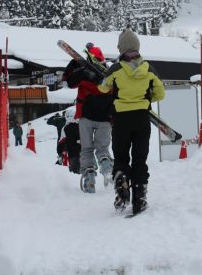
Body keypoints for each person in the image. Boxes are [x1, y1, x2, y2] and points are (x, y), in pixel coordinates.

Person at [98, 28, 165, 215]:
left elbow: (103, 88)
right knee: (140, 158)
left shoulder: (116, 69)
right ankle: (140, 199)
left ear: (121, 49)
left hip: (120, 119)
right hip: (142, 118)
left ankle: (121, 183)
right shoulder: (149, 69)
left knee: (121, 156)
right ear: (137, 47)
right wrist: (145, 99)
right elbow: (161, 94)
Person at [62, 55, 113, 194]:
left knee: (86, 149)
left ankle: (89, 178)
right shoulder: (110, 75)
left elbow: (68, 82)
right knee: (103, 147)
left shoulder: (84, 73)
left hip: (86, 117)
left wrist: (73, 64)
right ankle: (106, 165)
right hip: (105, 118)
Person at [58, 106, 81, 174]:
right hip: (83, 151)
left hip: (72, 153)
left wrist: (60, 152)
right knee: (83, 169)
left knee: (74, 170)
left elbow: (62, 141)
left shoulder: (65, 128)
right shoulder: (81, 126)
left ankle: (73, 181)